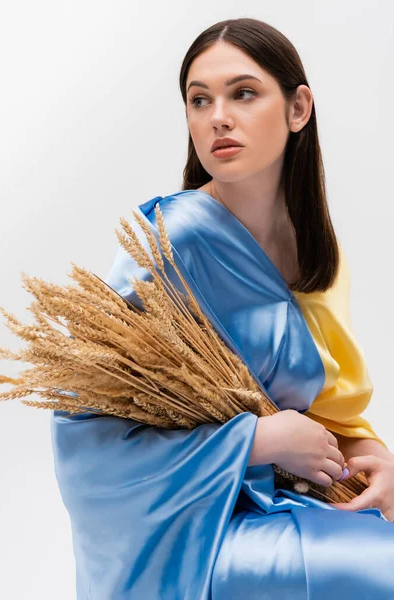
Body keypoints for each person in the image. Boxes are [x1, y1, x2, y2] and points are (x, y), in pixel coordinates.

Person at [51, 18, 394, 599]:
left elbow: (329, 411)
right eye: (198, 100)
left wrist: (374, 456)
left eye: (243, 93)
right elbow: (82, 429)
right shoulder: (172, 240)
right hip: (196, 530)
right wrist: (253, 443)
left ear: (298, 108)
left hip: (292, 500)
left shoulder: (318, 254)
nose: (218, 118)